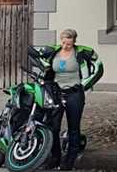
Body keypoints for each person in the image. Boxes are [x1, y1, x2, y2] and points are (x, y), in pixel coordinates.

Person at [41, 29, 103, 170]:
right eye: (63, 43)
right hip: (56, 92)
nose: (65, 46)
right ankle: (55, 157)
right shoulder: (54, 52)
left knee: (73, 128)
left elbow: (99, 67)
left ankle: (70, 160)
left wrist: (85, 85)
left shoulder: (81, 53)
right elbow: (41, 60)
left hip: (74, 93)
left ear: (74, 42)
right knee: (53, 127)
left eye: (68, 44)